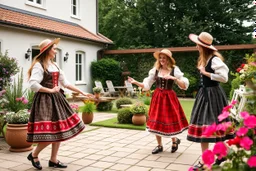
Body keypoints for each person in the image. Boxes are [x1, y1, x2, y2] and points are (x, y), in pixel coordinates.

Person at [26, 38, 92, 170]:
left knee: (59, 130)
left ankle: (53, 159)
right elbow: (33, 84)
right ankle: (34, 154)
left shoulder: (55, 65)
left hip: (57, 100)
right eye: (54, 49)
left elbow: (66, 83)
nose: (55, 51)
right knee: (49, 133)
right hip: (44, 102)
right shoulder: (39, 65)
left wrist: (82, 92)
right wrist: (50, 90)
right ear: (47, 51)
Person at [187, 32, 235, 169]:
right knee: (209, 127)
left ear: (203, 46)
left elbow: (224, 77)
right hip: (205, 94)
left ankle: (204, 161)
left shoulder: (214, 60)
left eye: (198, 44)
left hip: (213, 95)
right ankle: (224, 152)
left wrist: (206, 73)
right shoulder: (205, 59)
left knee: (206, 128)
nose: (196, 46)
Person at [128, 49, 189, 154]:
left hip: (169, 98)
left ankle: (174, 141)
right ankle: (159, 145)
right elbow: (147, 85)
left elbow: (183, 85)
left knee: (169, 120)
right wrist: (135, 82)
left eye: (164, 58)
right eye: (160, 58)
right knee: (156, 120)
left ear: (169, 59)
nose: (162, 60)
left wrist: (174, 78)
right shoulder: (155, 70)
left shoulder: (175, 70)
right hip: (158, 98)